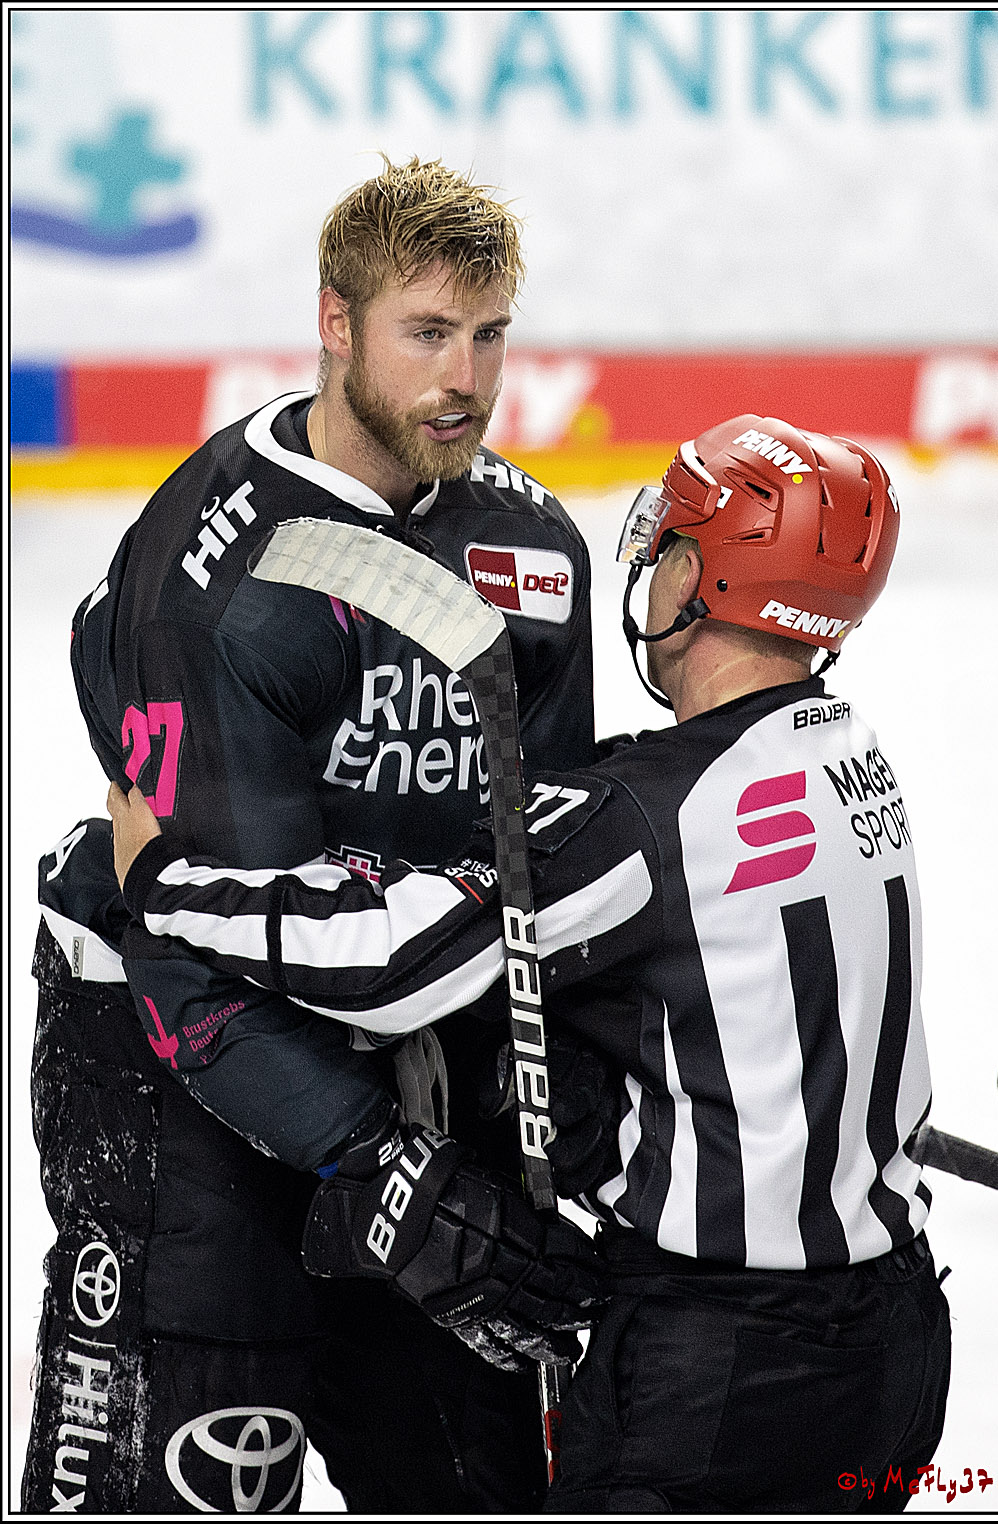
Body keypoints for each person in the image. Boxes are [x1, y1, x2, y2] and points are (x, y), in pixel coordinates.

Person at [106, 414, 952, 1513]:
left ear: (695, 579)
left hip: (724, 1374)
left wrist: (168, 881)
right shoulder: (854, 757)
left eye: (671, 543)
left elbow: (388, 963)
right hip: (896, 1351)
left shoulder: (644, 820)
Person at [24, 157, 601, 1516]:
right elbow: (184, 943)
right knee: (193, 1480)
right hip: (180, 1073)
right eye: (426, 332)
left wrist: (566, 1092)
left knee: (474, 1474)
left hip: (417, 1062)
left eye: (488, 335)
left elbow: (554, 865)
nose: (464, 377)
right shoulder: (218, 576)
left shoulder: (534, 553)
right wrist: (379, 1163)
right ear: (335, 323)